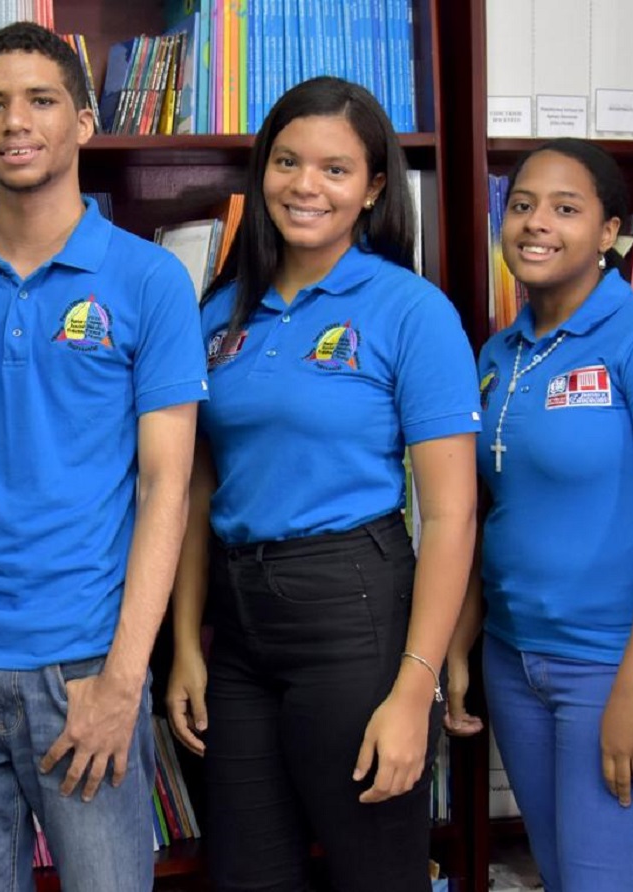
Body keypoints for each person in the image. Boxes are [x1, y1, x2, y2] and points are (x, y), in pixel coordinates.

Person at [0, 21, 208, 892]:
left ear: (84, 120)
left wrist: (122, 680)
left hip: (84, 669)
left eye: (39, 100)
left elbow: (165, 485)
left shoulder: (147, 281)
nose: (14, 122)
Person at [165, 76, 481, 892]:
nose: (305, 186)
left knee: (374, 872)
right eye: (287, 162)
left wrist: (415, 691)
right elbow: (198, 493)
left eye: (336, 169)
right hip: (238, 631)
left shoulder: (411, 310)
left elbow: (450, 517)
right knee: (247, 875)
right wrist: (189, 648)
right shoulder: (219, 315)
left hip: (352, 611)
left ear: (375, 186)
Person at [445, 138, 633, 892]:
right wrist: (463, 643)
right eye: (524, 205)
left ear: (610, 233)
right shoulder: (498, 352)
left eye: (567, 209)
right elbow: (485, 512)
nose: (538, 224)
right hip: (515, 658)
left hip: (619, 665)